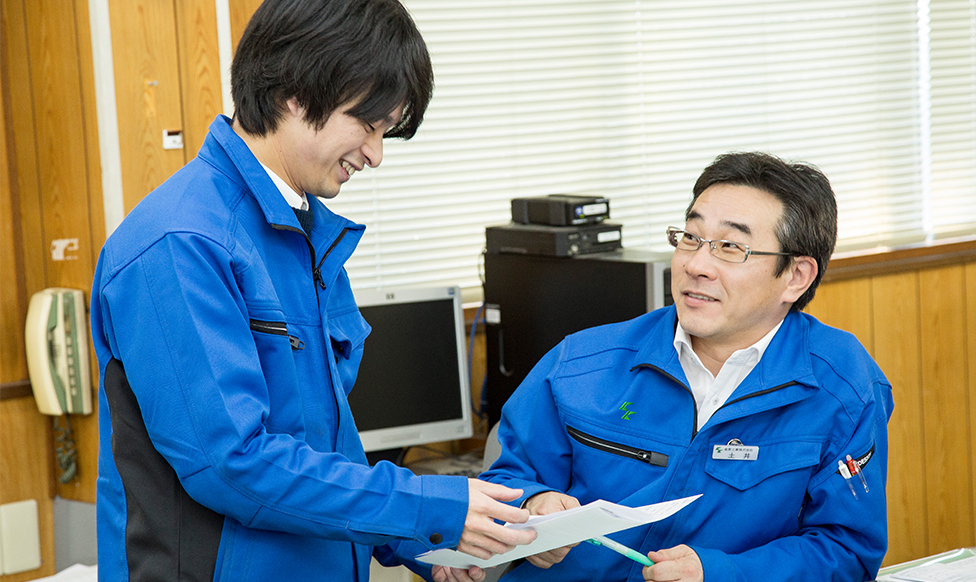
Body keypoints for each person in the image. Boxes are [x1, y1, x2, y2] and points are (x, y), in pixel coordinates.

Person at [89, 1, 535, 581]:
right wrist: (425, 508)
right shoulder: (179, 244)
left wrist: (420, 545)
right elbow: (233, 464)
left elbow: (324, 445)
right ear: (293, 94)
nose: (375, 154)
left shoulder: (304, 232)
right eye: (367, 125)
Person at [480, 151, 893, 582]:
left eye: (730, 247)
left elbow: (846, 550)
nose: (695, 265)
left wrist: (722, 573)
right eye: (690, 238)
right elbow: (506, 479)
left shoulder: (843, 386)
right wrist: (533, 502)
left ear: (796, 276)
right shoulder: (583, 362)